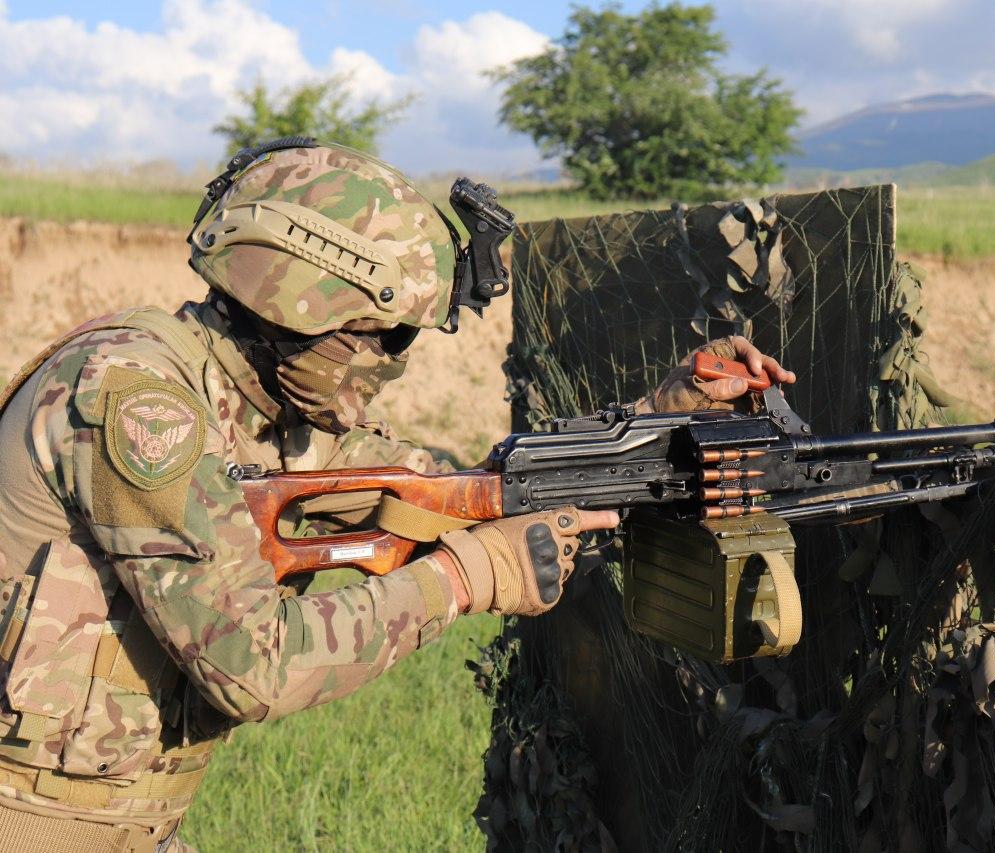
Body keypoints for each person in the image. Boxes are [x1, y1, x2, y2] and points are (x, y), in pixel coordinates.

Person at [0, 139, 794, 850]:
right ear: (307, 300)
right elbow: (252, 666)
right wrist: (463, 578)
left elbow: (469, 489)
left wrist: (661, 416)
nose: (393, 362)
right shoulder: (139, 406)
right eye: (388, 335)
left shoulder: (249, 398)